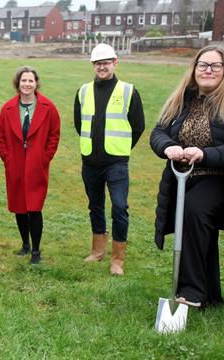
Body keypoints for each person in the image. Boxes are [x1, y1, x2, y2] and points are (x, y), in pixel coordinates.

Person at [150, 45, 224, 308]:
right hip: (184, 178)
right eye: (203, 65)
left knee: (193, 211)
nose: (208, 70)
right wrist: (167, 146)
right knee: (200, 230)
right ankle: (211, 296)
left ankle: (190, 291)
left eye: (215, 66)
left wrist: (204, 154)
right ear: (194, 69)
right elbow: (158, 132)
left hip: (223, 179)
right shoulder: (181, 100)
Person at [74, 43, 145, 275]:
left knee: (119, 207)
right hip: (90, 162)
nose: (101, 67)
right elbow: (79, 124)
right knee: (95, 206)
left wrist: (121, 148)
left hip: (116, 163)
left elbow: (138, 126)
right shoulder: (83, 91)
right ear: (93, 65)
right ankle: (97, 251)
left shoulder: (128, 91)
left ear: (115, 62)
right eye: (97, 63)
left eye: (105, 62)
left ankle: (117, 260)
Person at [0, 66, 60, 264]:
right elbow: (0, 136)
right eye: (23, 81)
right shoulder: (7, 108)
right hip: (15, 164)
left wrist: (45, 157)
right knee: (19, 207)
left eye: (31, 81)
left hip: (36, 166)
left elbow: (54, 134)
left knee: (34, 207)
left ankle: (36, 251)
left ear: (36, 83)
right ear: (18, 83)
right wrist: (7, 157)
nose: (27, 84)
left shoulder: (48, 107)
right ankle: (25, 244)